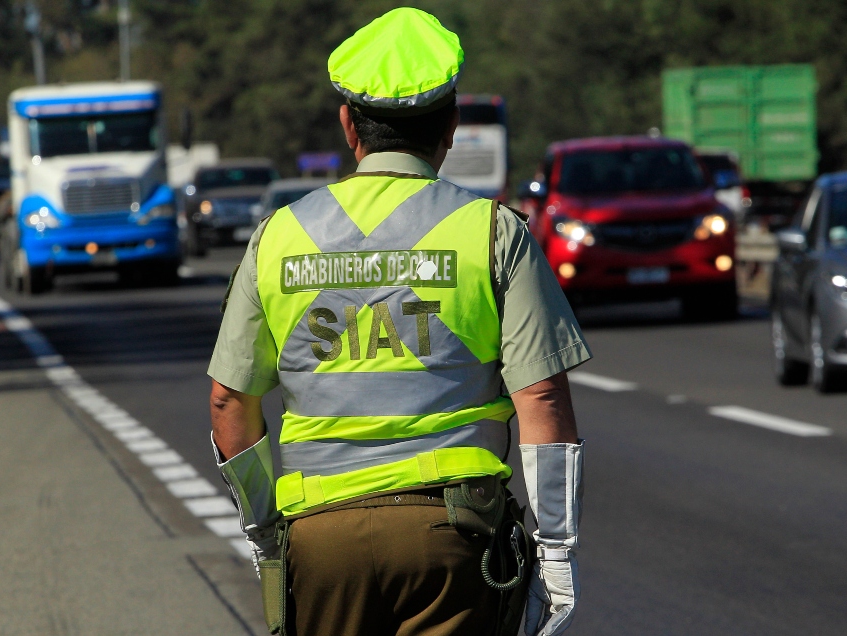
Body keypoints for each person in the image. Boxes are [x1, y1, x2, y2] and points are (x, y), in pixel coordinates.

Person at [206, 8, 590, 636]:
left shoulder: (278, 237)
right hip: (454, 537)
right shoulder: (492, 233)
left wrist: (265, 534)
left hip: (321, 537)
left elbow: (229, 403)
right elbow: (541, 395)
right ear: (453, 125)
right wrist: (555, 550)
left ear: (347, 126)